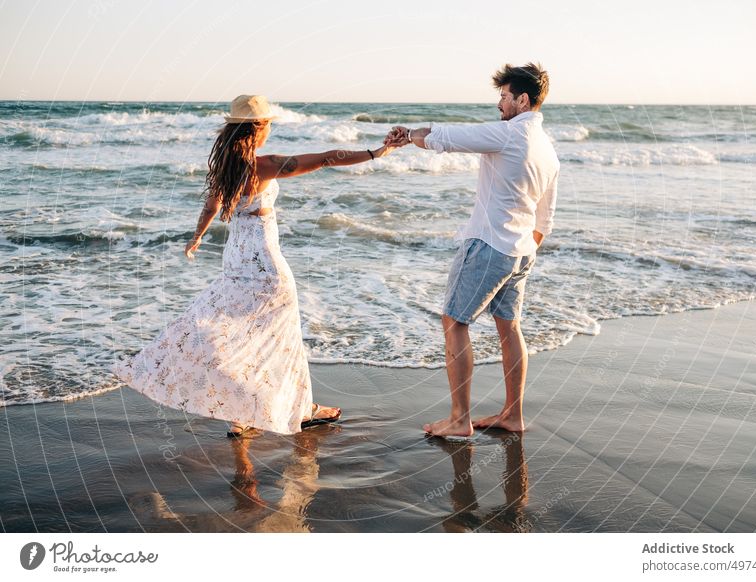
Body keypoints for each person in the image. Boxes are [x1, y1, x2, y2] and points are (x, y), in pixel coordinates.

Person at [113, 95, 401, 437]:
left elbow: (210, 206)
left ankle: (241, 413)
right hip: (264, 261)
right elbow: (324, 159)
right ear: (258, 128)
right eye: (268, 124)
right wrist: (376, 153)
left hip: (235, 257)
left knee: (240, 329)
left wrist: (197, 237)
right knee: (281, 332)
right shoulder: (263, 165)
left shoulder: (225, 167)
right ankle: (302, 410)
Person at [387, 63, 560, 437]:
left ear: (522, 100)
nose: (499, 103)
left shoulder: (510, 134)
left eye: (503, 96)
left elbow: (450, 137)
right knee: (509, 328)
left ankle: (459, 419)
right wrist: (522, 250)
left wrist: (409, 135)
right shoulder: (548, 149)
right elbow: (545, 220)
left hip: (489, 247)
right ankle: (512, 415)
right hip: (520, 252)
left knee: (454, 321)